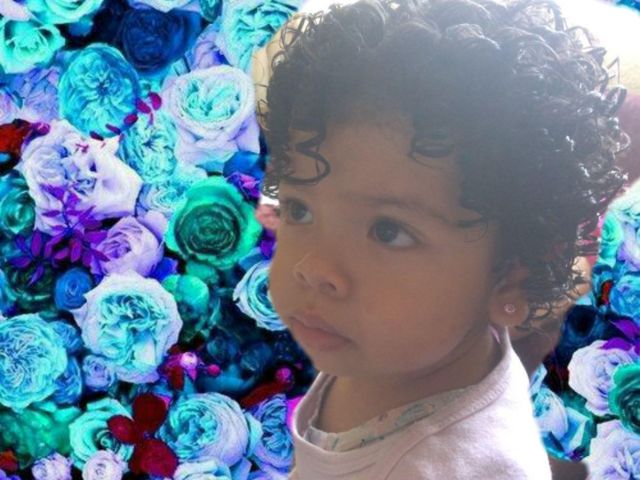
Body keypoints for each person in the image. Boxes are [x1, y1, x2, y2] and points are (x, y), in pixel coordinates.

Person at [253, 0, 631, 478]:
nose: (312, 266)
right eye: (299, 209)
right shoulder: (399, 349)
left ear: (513, 276)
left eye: (387, 231)